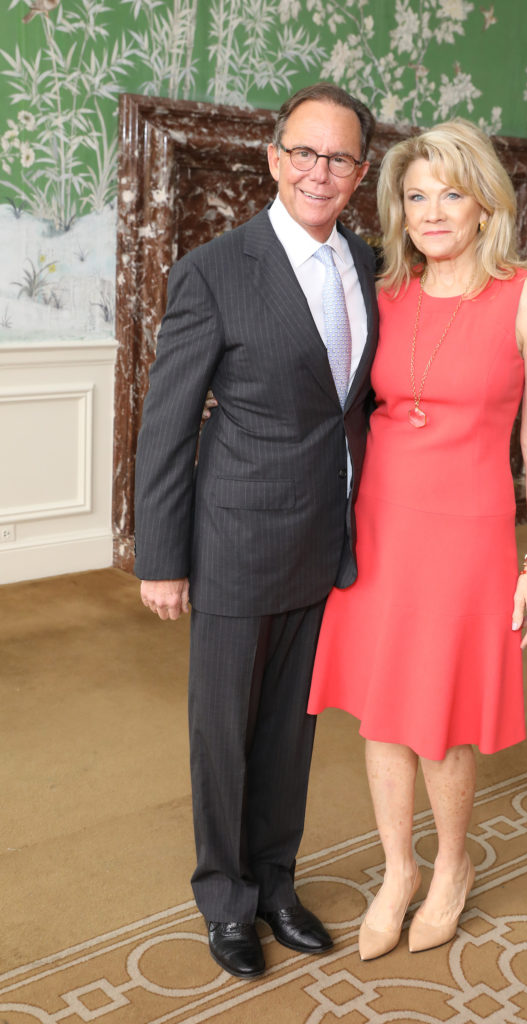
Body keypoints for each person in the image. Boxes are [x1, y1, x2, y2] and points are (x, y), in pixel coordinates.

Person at [133, 82, 378, 979]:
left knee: (289, 729)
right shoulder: (214, 268)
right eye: (303, 152)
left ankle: (276, 882)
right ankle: (226, 899)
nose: (320, 171)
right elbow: (166, 424)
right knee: (223, 733)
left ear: (359, 173)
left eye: (339, 157)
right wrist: (162, 557)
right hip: (233, 541)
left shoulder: (367, 267)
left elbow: (353, 408)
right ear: (273, 158)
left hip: (323, 544)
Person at [307, 118, 527, 960]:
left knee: (443, 716)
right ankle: (398, 869)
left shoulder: (526, 296)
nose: (431, 210)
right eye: (415, 196)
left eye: (450, 192)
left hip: (468, 533)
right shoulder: (384, 294)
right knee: (381, 711)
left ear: (486, 202)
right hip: (380, 523)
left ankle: (452, 867)